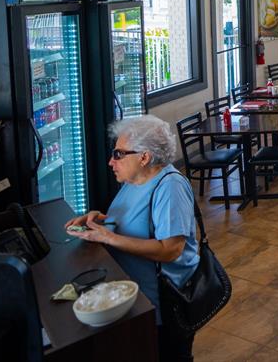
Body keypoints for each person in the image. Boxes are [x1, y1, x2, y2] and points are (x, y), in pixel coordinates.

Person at [65, 115, 200, 361]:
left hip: (163, 304)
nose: (110, 161)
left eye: (118, 154)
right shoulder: (134, 181)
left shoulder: (170, 187)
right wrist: (98, 220)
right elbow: (135, 223)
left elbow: (171, 249)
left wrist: (109, 238)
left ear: (144, 157)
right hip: (135, 295)